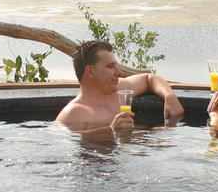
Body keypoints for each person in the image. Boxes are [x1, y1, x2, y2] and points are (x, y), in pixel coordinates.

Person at [57, 40, 185, 132]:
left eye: (116, 66)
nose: (118, 72)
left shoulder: (120, 90)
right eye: (110, 66)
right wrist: (111, 130)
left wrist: (169, 96)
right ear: (91, 71)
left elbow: (149, 78)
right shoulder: (73, 114)